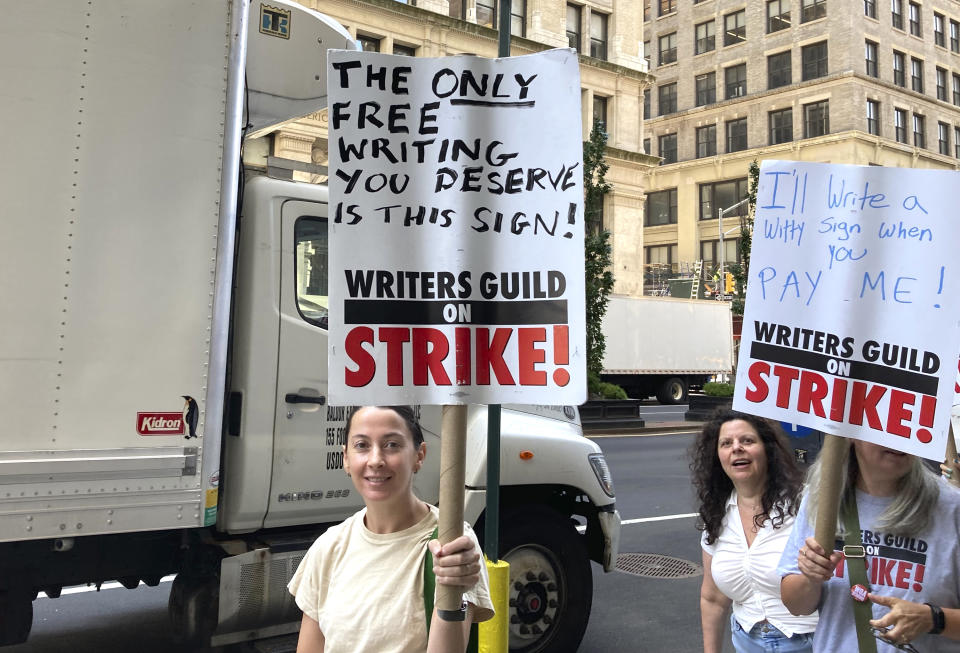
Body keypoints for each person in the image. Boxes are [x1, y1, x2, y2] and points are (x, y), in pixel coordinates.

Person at [288, 405, 495, 653]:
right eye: (362, 445)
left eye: (392, 445)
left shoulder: (450, 541)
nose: (376, 460)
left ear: (419, 455)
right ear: (345, 458)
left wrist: (454, 589)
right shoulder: (329, 546)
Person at [779, 438, 960, 652]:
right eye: (885, 427)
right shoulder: (823, 500)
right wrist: (810, 577)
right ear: (851, 435)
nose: (900, 439)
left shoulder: (952, 508)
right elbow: (795, 606)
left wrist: (934, 619)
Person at [691, 410, 817, 653]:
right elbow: (713, 599)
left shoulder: (805, 503)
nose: (736, 448)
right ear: (718, 456)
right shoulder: (717, 514)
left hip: (810, 642)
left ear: (768, 450)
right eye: (726, 443)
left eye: (747, 441)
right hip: (746, 642)